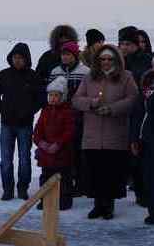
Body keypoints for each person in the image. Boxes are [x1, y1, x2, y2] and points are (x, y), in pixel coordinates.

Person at [72, 45, 138, 220]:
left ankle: (108, 205)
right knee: (94, 171)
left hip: (115, 135)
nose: (106, 62)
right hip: (92, 135)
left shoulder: (126, 77)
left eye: (109, 59)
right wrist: (91, 103)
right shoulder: (88, 78)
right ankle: (97, 205)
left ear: (116, 60)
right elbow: (76, 100)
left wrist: (112, 109)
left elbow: (132, 99)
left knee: (111, 172)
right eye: (103, 59)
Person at [0, 42, 43, 200]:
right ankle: (7, 189)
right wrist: (1, 108)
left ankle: (22, 188)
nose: (17, 60)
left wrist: (30, 111)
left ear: (26, 59)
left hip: (25, 125)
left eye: (21, 58)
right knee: (6, 159)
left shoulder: (33, 77)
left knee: (24, 159)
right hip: (6, 124)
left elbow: (40, 98)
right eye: (15, 57)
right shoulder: (4, 75)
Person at [48, 41, 90, 197]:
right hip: (59, 117)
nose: (65, 57)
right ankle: (64, 183)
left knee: (78, 152)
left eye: (68, 54)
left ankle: (80, 184)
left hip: (79, 117)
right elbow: (51, 94)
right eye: (63, 54)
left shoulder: (85, 71)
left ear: (75, 55)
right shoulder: (55, 71)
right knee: (63, 151)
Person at [119, 26, 153, 206]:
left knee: (140, 157)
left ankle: (144, 195)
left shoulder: (145, 60)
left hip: (141, 114)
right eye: (121, 43)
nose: (123, 47)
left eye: (127, 44)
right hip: (122, 113)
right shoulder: (120, 61)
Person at [33, 76, 76, 211]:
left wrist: (58, 144)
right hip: (46, 154)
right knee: (45, 177)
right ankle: (44, 199)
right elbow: (38, 130)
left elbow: (69, 131)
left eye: (56, 95)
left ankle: (64, 200)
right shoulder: (45, 111)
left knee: (63, 178)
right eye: (50, 95)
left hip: (62, 152)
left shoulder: (68, 112)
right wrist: (41, 143)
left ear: (62, 97)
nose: (53, 98)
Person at [132, 69, 154, 224]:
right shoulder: (146, 81)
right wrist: (134, 139)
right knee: (149, 179)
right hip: (146, 141)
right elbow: (137, 116)